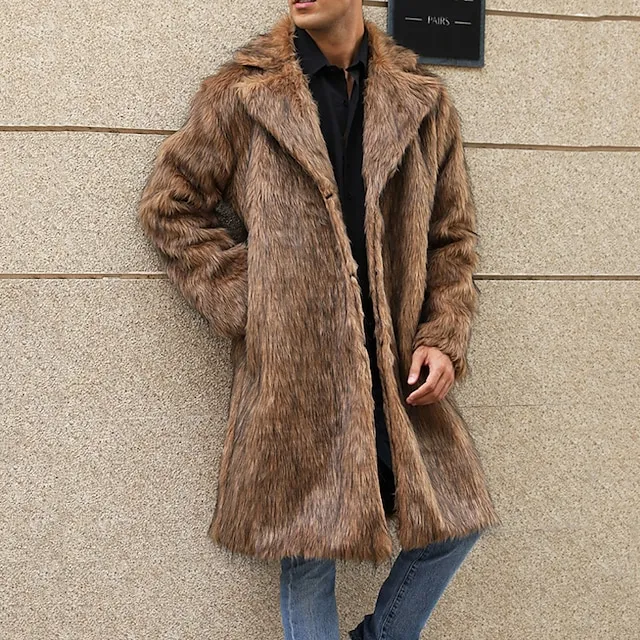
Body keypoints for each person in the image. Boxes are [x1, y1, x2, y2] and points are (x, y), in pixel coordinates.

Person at [137, 1, 501, 638]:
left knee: (455, 523)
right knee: (309, 555)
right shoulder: (244, 95)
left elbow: (451, 238)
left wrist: (443, 337)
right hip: (297, 371)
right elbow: (169, 208)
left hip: (396, 369)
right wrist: (254, 298)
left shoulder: (423, 101)